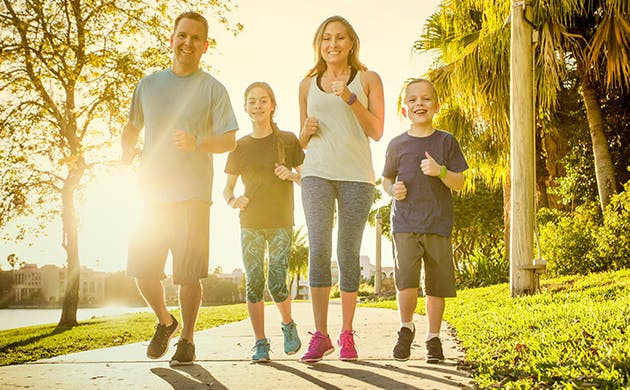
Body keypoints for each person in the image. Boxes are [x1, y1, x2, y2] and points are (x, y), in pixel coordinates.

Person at [120, 11, 238, 367]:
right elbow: (131, 126)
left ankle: (186, 339)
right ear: (171, 39)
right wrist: (126, 152)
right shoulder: (149, 84)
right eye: (181, 35)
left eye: (195, 38)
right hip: (150, 196)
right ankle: (165, 321)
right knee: (142, 271)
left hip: (192, 196)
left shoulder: (213, 89)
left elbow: (230, 140)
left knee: (188, 275)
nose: (187, 43)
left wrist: (197, 142)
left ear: (204, 46)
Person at [298, 15, 385, 363]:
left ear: (351, 43)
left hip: (356, 176)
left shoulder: (368, 79)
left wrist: (350, 98)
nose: (332, 44)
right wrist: (304, 131)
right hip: (316, 172)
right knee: (318, 247)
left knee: (347, 251)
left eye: (339, 38)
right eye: (326, 39)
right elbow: (300, 144)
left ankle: (347, 332)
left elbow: (377, 131)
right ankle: (321, 335)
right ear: (319, 45)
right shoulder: (306, 84)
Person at [382, 78, 468, 363]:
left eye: (425, 99)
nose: (419, 103)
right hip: (404, 223)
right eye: (412, 100)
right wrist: (393, 190)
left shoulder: (446, 141)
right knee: (406, 282)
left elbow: (460, 183)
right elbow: (386, 180)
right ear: (404, 109)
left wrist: (440, 171)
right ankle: (405, 328)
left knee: (436, 285)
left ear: (437, 106)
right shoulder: (396, 144)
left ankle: (433, 337)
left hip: (438, 224)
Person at [223, 82, 305, 363]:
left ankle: (288, 325)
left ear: (273, 105)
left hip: (281, 219)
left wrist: (291, 174)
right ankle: (260, 342)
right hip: (251, 222)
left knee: (278, 282)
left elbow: (307, 177)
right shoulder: (239, 146)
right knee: (254, 283)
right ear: (245, 107)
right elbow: (227, 189)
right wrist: (234, 201)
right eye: (252, 101)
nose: (257, 106)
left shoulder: (288, 140)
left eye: (263, 101)